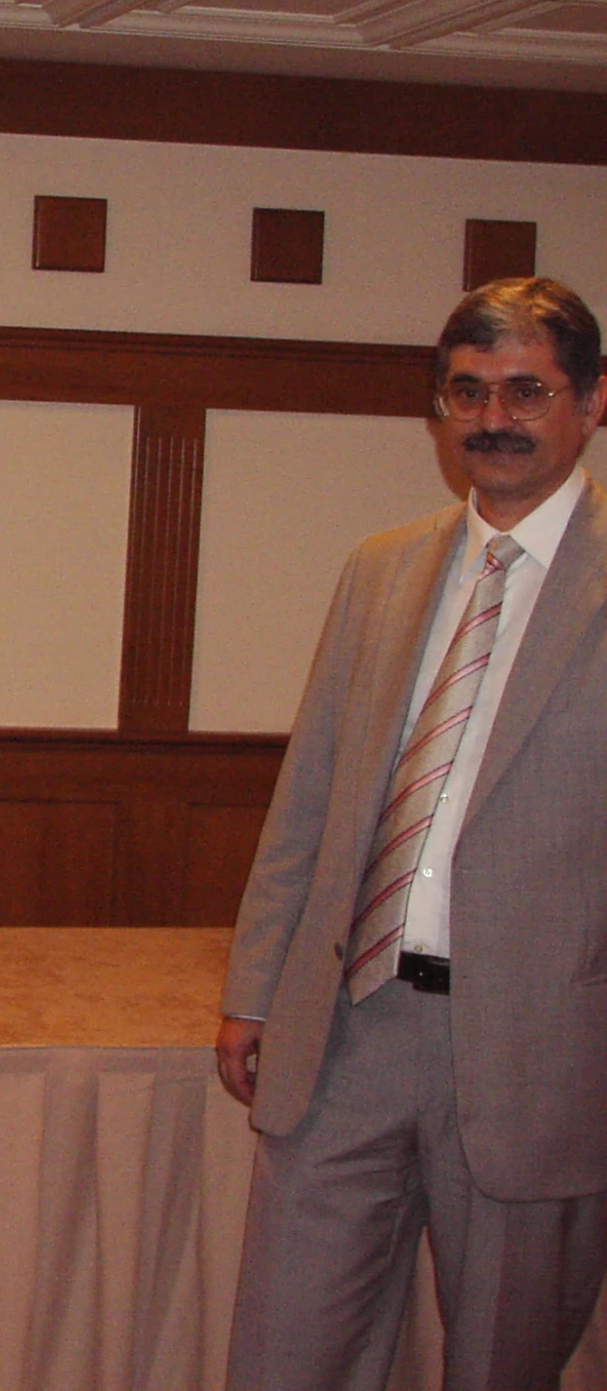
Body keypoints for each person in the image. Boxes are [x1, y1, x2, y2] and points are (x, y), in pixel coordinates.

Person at [216, 276, 607, 1391]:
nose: (491, 417)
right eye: (466, 391)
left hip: (542, 1055)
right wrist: (252, 985)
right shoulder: (379, 569)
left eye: (525, 391)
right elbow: (308, 799)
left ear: (586, 403)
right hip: (346, 1027)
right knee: (285, 1356)